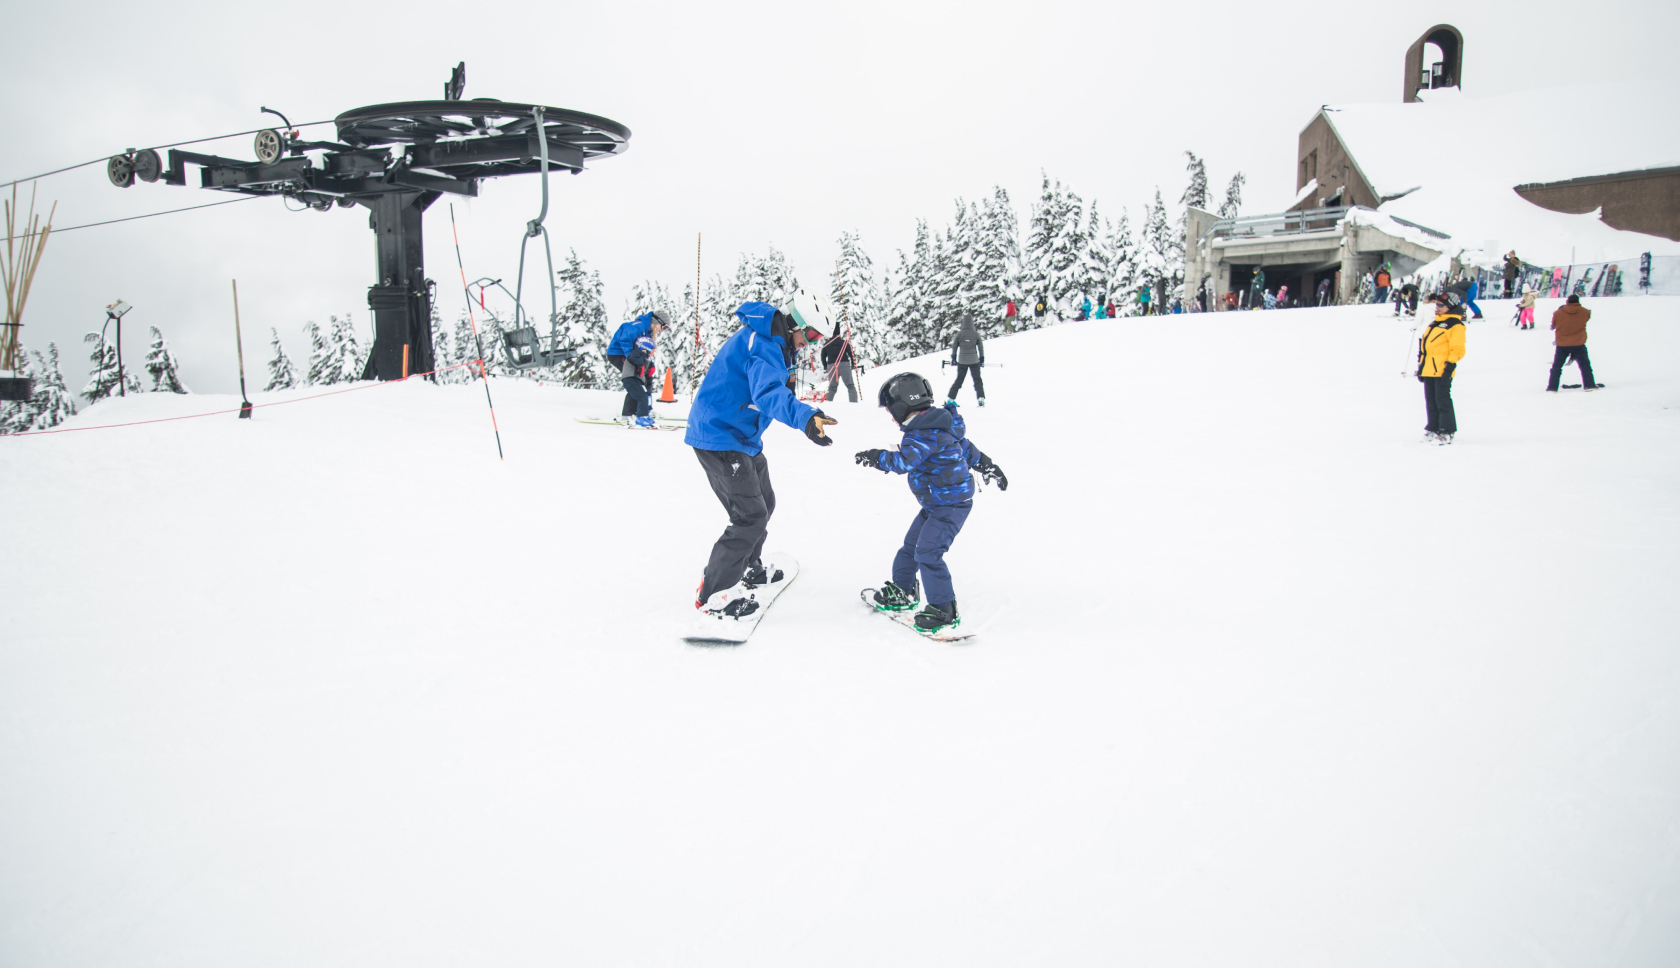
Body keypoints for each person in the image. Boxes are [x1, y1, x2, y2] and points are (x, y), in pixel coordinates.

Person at [685, 302, 838, 619]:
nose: (809, 342)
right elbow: (767, 393)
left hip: (741, 438)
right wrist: (807, 418)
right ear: (795, 322)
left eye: (816, 337)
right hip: (719, 436)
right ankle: (714, 596)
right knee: (749, 517)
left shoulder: (776, 342)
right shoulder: (765, 342)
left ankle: (748, 568)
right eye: (809, 333)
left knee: (764, 503)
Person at [855, 377, 1008, 634]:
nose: (892, 418)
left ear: (903, 407)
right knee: (911, 547)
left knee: (928, 553)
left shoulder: (923, 433)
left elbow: (904, 461)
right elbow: (966, 449)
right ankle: (903, 591)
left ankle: (943, 609)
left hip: (950, 507)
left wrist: (876, 457)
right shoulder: (939, 426)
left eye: (891, 411)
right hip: (936, 504)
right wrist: (987, 465)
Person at [1417, 290, 1467, 444]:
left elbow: (1457, 349)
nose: (1437, 307)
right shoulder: (1435, 322)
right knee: (1430, 400)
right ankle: (1433, 427)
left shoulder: (1455, 324)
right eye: (1437, 304)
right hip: (1429, 369)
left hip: (1442, 369)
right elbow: (1425, 346)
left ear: (1450, 306)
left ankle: (1447, 430)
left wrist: (1449, 367)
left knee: (1442, 400)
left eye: (1440, 305)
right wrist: (1421, 365)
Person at [606, 310, 669, 422]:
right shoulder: (638, 326)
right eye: (663, 327)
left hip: (631, 355)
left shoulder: (648, 331)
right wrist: (631, 357)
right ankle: (630, 413)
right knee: (634, 380)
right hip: (618, 353)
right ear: (656, 321)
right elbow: (625, 340)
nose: (662, 331)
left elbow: (644, 349)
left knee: (644, 378)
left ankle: (644, 409)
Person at [1546, 294, 1598, 391]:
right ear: (1578, 301)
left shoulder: (1558, 312)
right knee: (1585, 365)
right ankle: (1589, 385)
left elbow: (1554, 324)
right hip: (1579, 343)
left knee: (1557, 366)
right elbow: (1586, 318)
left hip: (1562, 344)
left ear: (1567, 301)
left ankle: (1552, 388)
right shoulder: (1585, 312)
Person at [620, 334, 660, 427]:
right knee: (642, 396)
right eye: (651, 350)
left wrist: (650, 371)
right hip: (630, 378)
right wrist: (641, 365)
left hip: (636, 380)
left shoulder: (644, 359)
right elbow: (635, 357)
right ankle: (641, 417)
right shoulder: (636, 353)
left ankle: (629, 415)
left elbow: (646, 377)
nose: (651, 353)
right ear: (645, 348)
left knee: (643, 395)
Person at [946, 313, 986, 406]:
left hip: (962, 361)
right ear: (972, 323)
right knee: (977, 380)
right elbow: (980, 347)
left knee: (959, 380)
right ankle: (980, 398)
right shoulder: (975, 334)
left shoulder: (960, 334)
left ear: (963, 323)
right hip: (974, 361)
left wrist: (954, 358)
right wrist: (982, 358)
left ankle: (950, 399)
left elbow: (954, 346)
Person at [820, 322, 858, 402]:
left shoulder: (827, 343)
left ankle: (828, 403)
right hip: (844, 364)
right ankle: (854, 403)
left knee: (832, 387)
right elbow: (851, 353)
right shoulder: (844, 343)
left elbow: (823, 356)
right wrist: (854, 364)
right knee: (850, 385)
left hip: (832, 365)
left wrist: (825, 366)